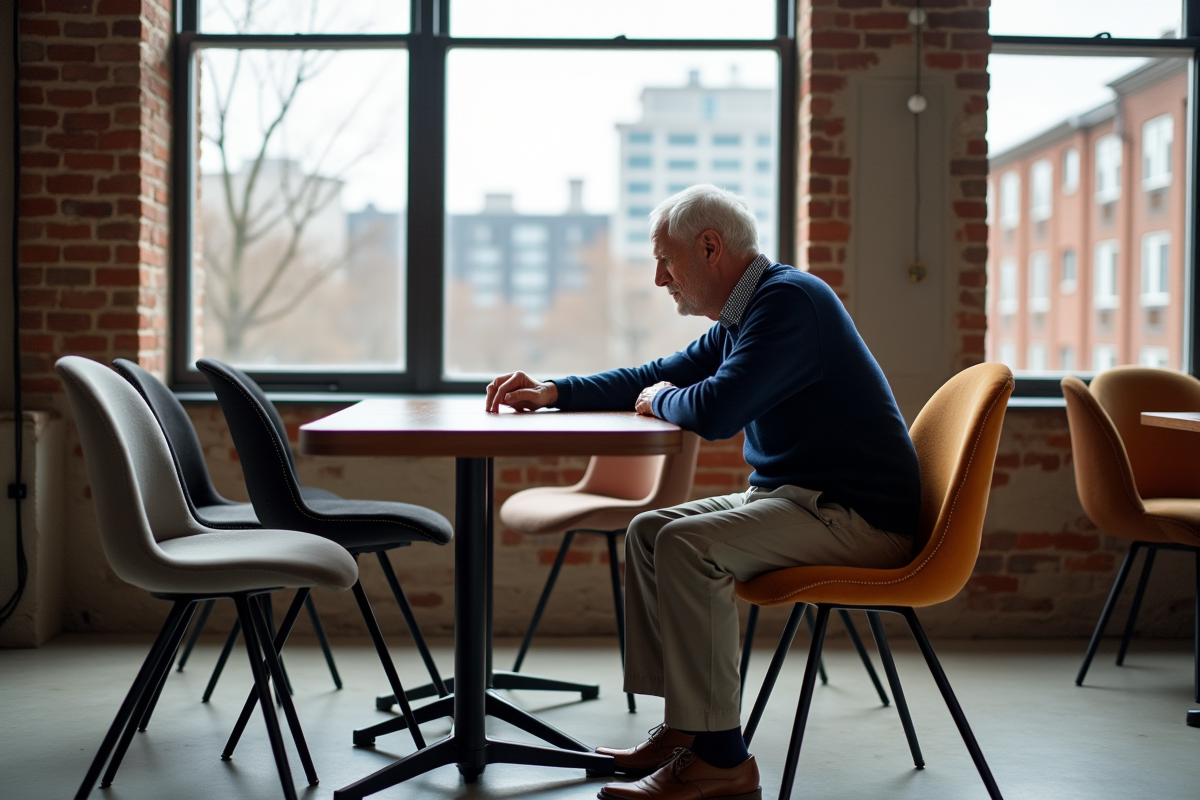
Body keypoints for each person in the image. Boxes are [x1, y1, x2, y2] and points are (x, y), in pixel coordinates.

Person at [485, 184, 920, 800]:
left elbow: (714, 411)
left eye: (666, 260)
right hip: (799, 499)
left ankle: (722, 757)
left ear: (710, 247)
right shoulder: (748, 313)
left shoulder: (790, 304)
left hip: (858, 518)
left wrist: (660, 399)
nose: (660, 278)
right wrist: (557, 390)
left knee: (689, 545)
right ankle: (688, 728)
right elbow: (657, 374)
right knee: (649, 531)